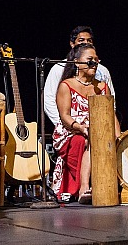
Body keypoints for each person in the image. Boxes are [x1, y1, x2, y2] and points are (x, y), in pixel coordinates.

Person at [51, 43, 121, 203]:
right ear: (77, 62)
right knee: (89, 137)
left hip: (97, 130)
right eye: (90, 60)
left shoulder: (102, 87)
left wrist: (119, 137)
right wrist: (81, 128)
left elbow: (111, 115)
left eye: (96, 61)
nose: (94, 64)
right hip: (71, 131)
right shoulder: (66, 85)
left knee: (104, 139)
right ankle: (84, 187)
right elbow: (65, 116)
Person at [44, 26, 115, 125]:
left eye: (89, 40)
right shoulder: (59, 68)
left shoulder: (102, 70)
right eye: (81, 40)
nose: (86, 43)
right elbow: (49, 100)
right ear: (72, 44)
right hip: (70, 127)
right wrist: (64, 125)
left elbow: (111, 103)